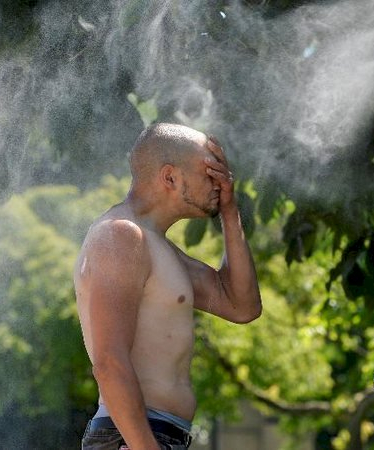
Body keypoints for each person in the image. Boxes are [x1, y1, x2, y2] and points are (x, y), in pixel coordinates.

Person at [74, 123, 262, 450]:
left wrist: (230, 211)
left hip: (155, 435)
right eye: (210, 173)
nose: (220, 182)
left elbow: (241, 305)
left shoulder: (157, 247)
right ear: (170, 177)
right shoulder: (121, 235)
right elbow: (108, 361)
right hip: (133, 437)